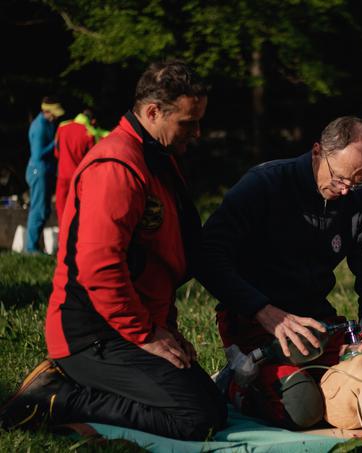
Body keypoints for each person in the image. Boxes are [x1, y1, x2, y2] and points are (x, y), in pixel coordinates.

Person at [0, 61, 227, 440]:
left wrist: (164, 328)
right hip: (92, 333)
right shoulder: (117, 166)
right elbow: (99, 267)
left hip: (126, 324)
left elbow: (154, 259)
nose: (198, 133)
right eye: (189, 122)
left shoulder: (158, 158)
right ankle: (55, 398)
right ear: (153, 112)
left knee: (212, 407)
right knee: (196, 418)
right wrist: (145, 335)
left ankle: (81, 390)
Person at [198, 116, 362, 429]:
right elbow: (207, 255)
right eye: (341, 178)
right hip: (255, 324)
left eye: (358, 181)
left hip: (316, 324)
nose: (346, 191)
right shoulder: (265, 184)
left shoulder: (357, 201)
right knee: (303, 408)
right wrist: (262, 309)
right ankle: (236, 382)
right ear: (318, 151)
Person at [25, 96, 64, 253]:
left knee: (44, 210)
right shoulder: (40, 126)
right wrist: (55, 143)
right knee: (39, 210)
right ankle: (31, 248)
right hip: (38, 170)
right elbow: (38, 153)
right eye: (54, 113)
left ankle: (34, 246)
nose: (56, 116)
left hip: (43, 170)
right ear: (46, 111)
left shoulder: (48, 122)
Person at [54, 108, 100, 224]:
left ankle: (62, 241)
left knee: (61, 213)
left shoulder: (62, 126)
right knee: (76, 215)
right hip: (78, 179)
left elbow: (56, 153)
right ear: (92, 121)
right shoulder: (90, 133)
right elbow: (92, 161)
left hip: (62, 176)